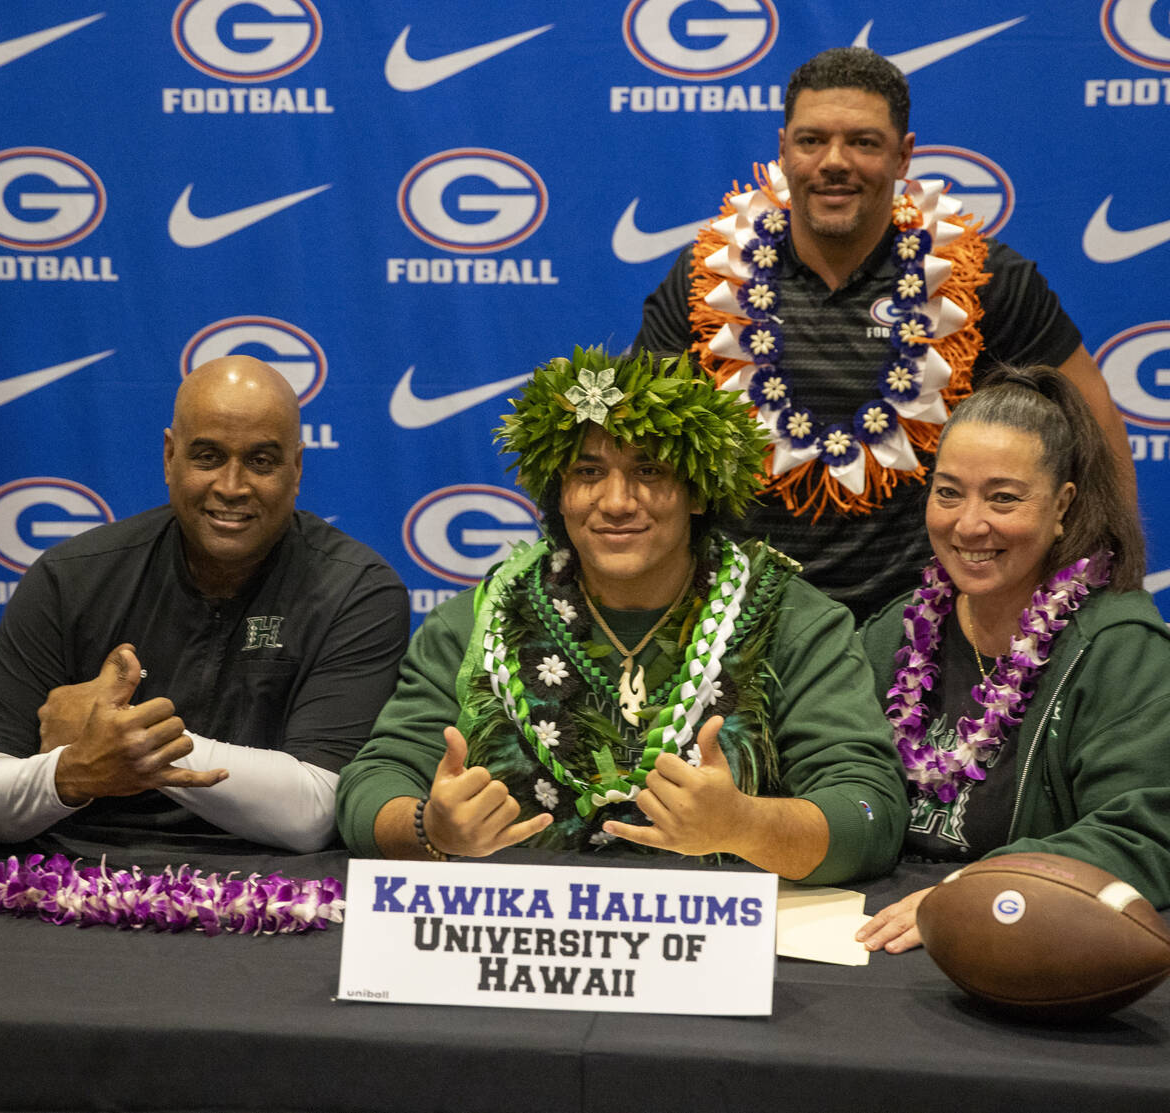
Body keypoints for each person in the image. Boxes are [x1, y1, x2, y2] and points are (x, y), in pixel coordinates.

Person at [336, 347, 907, 883]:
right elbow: (372, 785)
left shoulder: (789, 619)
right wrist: (429, 829)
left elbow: (870, 809)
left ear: (699, 492)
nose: (615, 501)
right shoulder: (481, 621)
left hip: (726, 949)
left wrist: (744, 825)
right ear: (558, 493)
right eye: (588, 473)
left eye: (650, 472)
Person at [632, 47, 1135, 623]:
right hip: (741, 627)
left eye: (864, 143)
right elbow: (640, 440)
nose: (834, 162)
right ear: (782, 150)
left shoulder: (984, 279)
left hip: (927, 635)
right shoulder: (708, 278)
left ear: (904, 157)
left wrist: (1117, 598)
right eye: (811, 140)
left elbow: (1094, 435)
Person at [0, 355, 410, 854]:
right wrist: (70, 774)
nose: (232, 486)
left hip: (281, 894)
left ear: (297, 468)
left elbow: (316, 810)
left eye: (261, 461)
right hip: (73, 872)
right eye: (208, 456)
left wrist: (125, 738)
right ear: (168, 456)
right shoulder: (70, 576)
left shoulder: (358, 590)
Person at [855, 366, 1170, 953]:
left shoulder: (1121, 650)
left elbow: (1143, 834)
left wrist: (978, 887)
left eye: (1004, 498)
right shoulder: (892, 634)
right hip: (872, 940)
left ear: (1061, 508)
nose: (969, 524)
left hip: (1029, 943)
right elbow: (835, 780)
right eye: (948, 492)